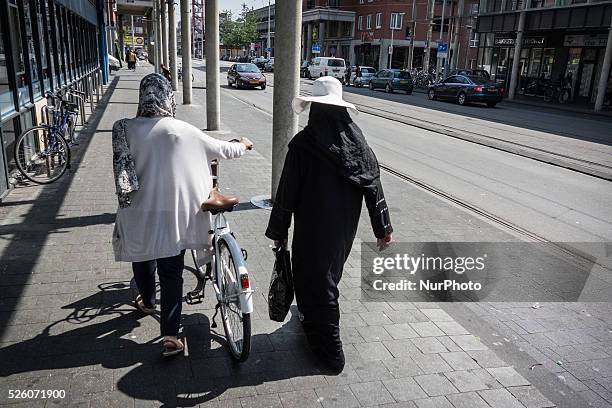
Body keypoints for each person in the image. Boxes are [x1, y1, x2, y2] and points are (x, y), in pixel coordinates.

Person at [112, 73, 253, 357]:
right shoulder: (183, 129)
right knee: (171, 273)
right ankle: (170, 337)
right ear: (168, 97)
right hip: (175, 216)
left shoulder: (122, 128)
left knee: (142, 256)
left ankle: (148, 300)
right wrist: (244, 144)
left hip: (138, 212)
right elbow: (223, 150)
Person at [265, 76, 393, 373]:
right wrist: (383, 228)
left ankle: (332, 353)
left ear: (316, 110)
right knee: (325, 278)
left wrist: (278, 232)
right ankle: (313, 327)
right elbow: (374, 184)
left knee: (318, 284)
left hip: (311, 230)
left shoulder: (303, 144)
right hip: (343, 231)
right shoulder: (357, 141)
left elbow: (287, 193)